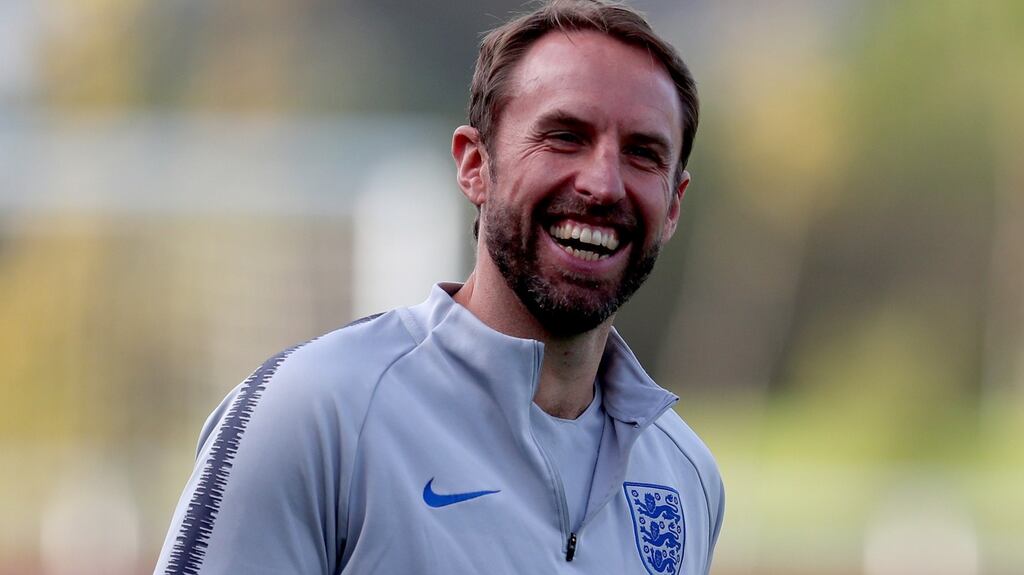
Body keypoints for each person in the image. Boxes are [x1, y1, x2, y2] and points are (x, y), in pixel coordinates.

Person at [154, 1, 724, 573]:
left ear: (674, 205)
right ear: (475, 165)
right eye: (564, 137)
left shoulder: (685, 476)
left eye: (643, 154)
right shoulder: (314, 414)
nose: (604, 184)